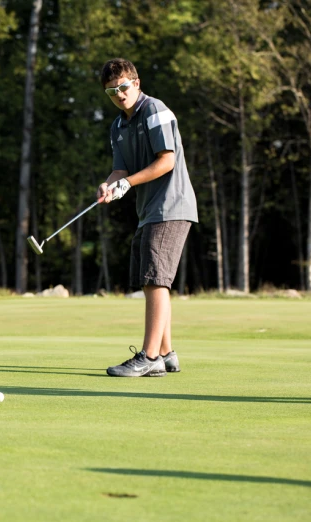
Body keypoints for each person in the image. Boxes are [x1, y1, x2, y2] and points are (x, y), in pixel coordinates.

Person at [96, 58, 198, 377]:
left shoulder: (155, 111)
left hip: (171, 205)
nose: (119, 94)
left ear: (136, 83)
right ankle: (166, 353)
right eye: (112, 91)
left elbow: (166, 160)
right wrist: (110, 184)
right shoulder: (118, 126)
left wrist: (127, 183)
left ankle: (150, 357)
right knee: (149, 278)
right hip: (148, 211)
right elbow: (120, 169)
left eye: (123, 87)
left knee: (156, 279)